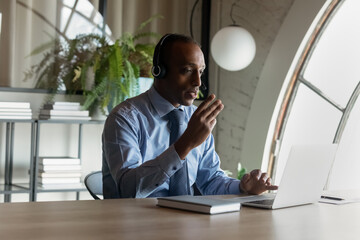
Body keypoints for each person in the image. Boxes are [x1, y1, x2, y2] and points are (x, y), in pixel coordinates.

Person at [102, 33, 278, 198]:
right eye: (187, 70)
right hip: (134, 225)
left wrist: (243, 187)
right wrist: (185, 143)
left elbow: (209, 180)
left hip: (187, 224)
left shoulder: (196, 118)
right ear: (159, 71)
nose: (198, 82)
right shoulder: (124, 118)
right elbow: (127, 190)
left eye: (200, 71)